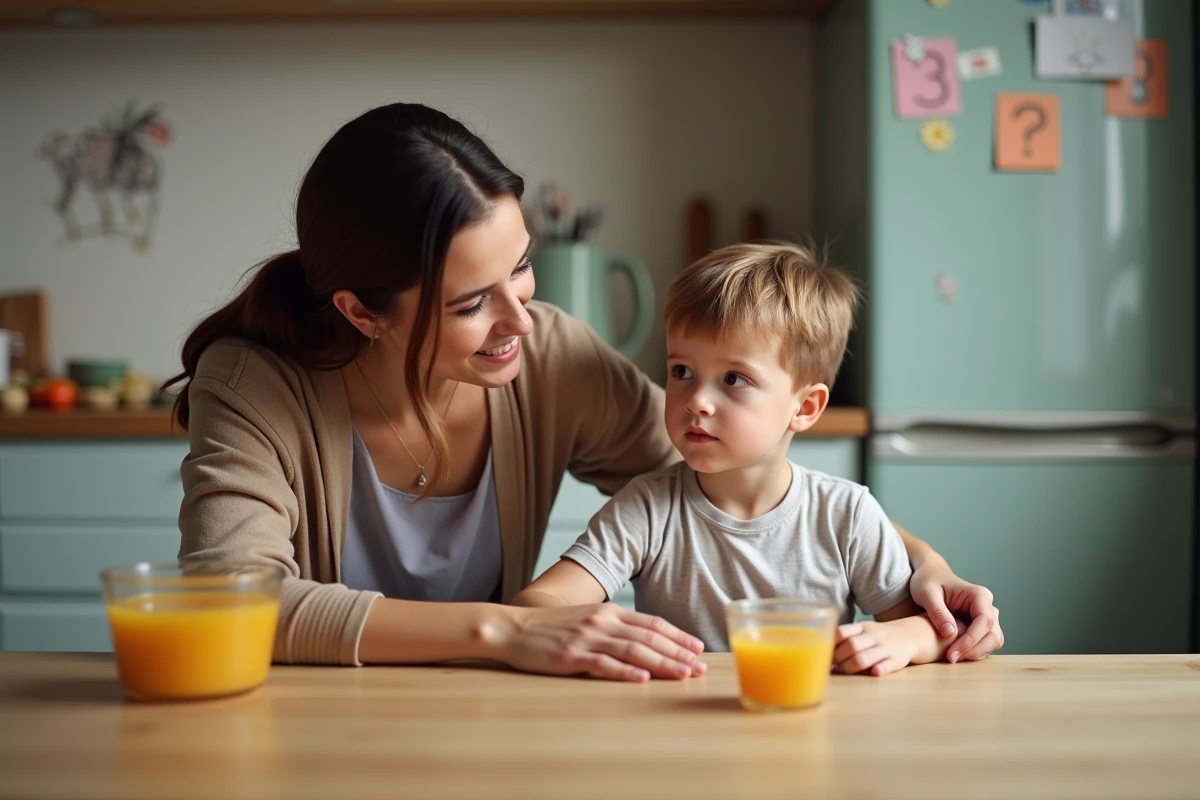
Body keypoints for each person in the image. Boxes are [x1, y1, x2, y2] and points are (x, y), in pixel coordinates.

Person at [169, 102, 1002, 682]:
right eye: (469, 303)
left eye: (521, 268)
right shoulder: (254, 385)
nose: (519, 321)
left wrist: (925, 568)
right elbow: (233, 602)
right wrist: (508, 629)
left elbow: (734, 479)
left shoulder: (554, 358)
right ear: (360, 312)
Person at [513, 242, 975, 675]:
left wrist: (907, 639)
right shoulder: (647, 509)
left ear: (805, 407)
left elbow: (936, 631)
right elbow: (538, 605)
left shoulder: (848, 516)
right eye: (682, 371)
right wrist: (600, 628)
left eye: (734, 379)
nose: (697, 401)